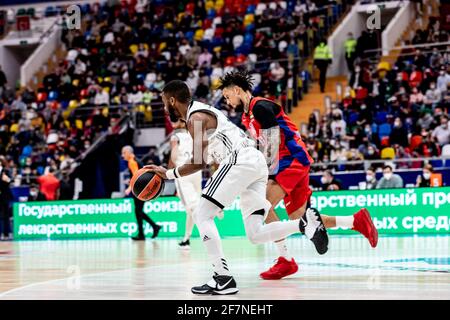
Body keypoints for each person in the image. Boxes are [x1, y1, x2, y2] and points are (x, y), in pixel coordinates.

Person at [146, 80, 329, 295]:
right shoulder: (201, 113)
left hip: (240, 161)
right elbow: (212, 160)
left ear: (172, 100)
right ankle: (305, 224)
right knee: (255, 234)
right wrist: (216, 195)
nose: (164, 108)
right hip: (253, 163)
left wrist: (167, 173)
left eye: (163, 102)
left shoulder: (195, 118)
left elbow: (198, 162)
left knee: (201, 214)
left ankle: (222, 278)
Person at [218, 70, 378, 280]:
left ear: (237, 90)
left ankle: (285, 260)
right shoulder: (247, 115)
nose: (227, 102)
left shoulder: (260, 106)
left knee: (260, 204)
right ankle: (356, 221)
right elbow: (261, 144)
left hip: (289, 159)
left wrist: (260, 173)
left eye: (227, 96)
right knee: (299, 218)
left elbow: (272, 141)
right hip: (293, 162)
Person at [169, 119, 202, 248]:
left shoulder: (175, 136)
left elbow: (174, 156)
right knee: (191, 210)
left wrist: (169, 172)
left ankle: (212, 208)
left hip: (183, 173)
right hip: (196, 171)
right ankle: (186, 238)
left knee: (193, 207)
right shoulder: (192, 134)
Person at [121, 146, 161, 241]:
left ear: (128, 152)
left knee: (138, 212)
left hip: (139, 190)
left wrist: (129, 189)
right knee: (138, 212)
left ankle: (147, 231)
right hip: (142, 188)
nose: (123, 156)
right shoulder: (136, 160)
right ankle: (150, 229)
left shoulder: (132, 161)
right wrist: (129, 181)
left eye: (124, 153)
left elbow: (136, 176)